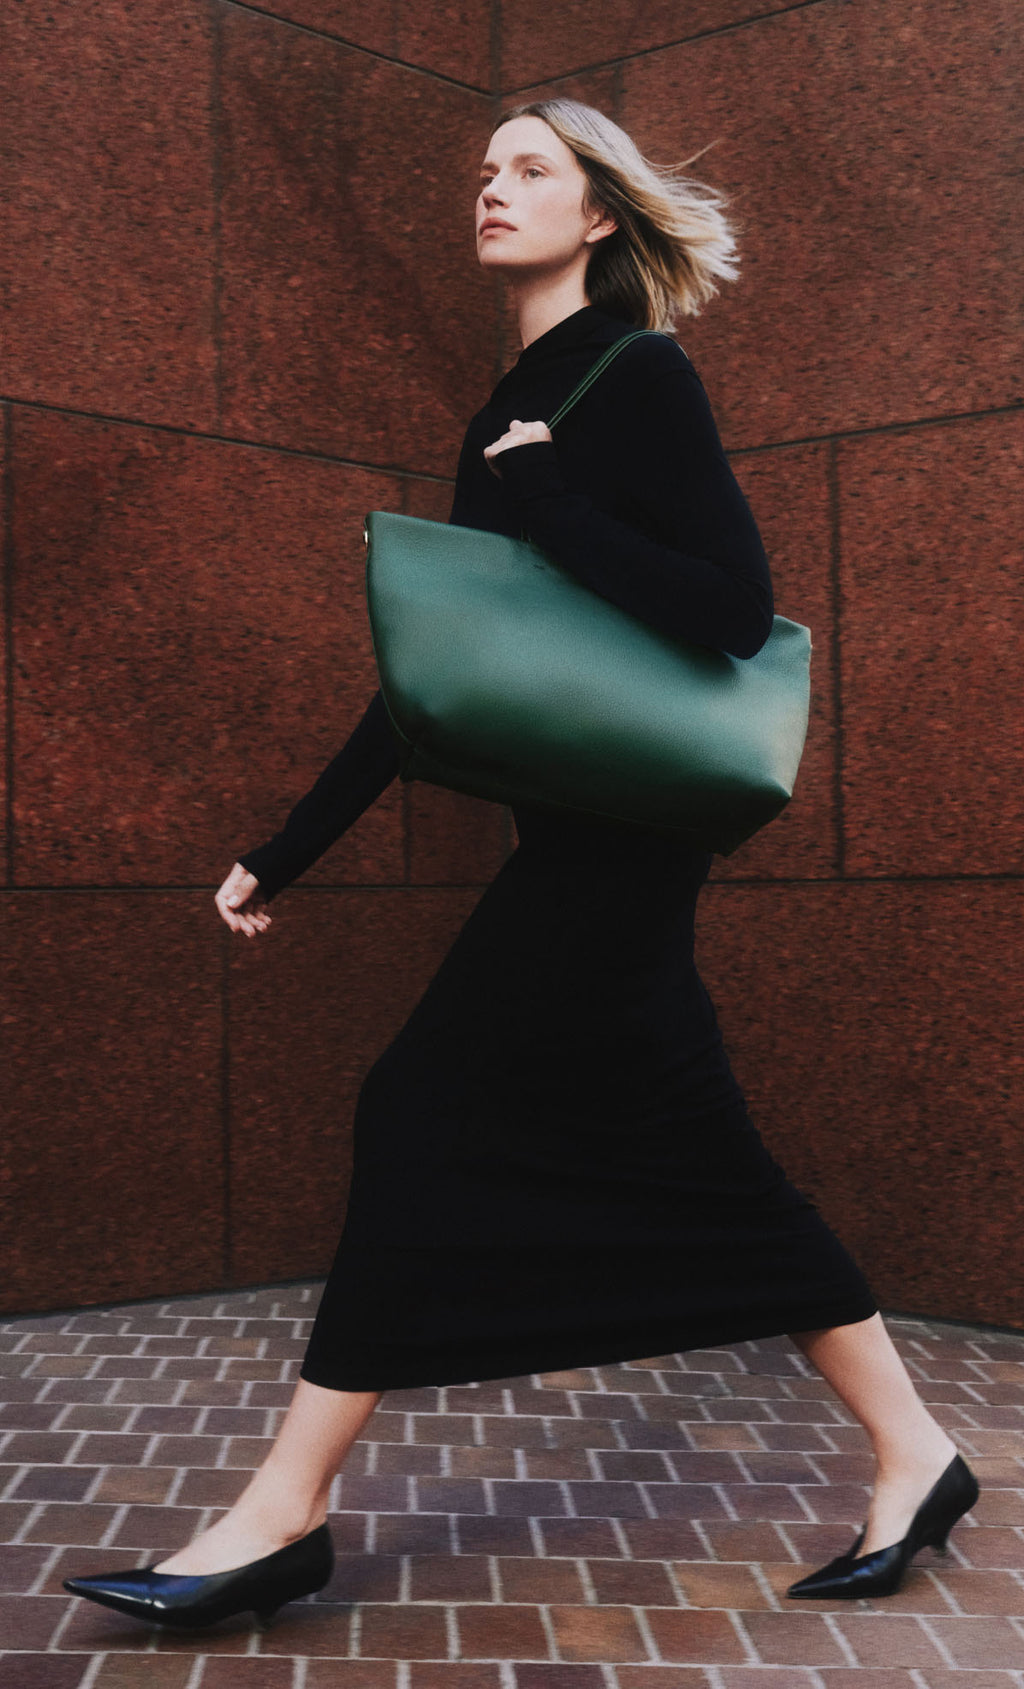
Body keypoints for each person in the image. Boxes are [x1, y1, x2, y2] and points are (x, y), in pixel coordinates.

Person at [64, 97, 978, 1632]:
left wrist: (550, 497)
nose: (493, 191)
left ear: (601, 214)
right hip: (582, 843)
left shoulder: (635, 376)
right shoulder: (516, 391)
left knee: (419, 1101)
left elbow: (735, 611)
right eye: (484, 173)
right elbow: (449, 673)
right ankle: (920, 1448)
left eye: (531, 170)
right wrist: (285, 846)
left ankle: (281, 1516)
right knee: (697, 1148)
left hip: (624, 850)